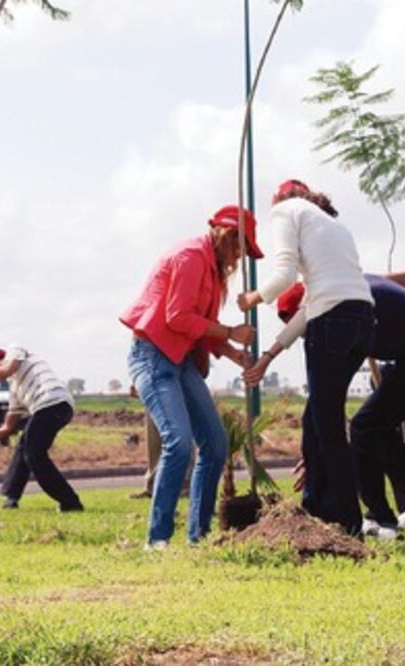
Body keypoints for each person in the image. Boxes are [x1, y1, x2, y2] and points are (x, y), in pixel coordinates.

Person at [246, 272, 405, 537]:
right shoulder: (354, 284)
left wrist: (322, 443)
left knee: (366, 425)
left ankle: (380, 519)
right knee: (376, 426)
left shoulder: (344, 311)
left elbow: (330, 394)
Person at [238, 179, 374, 537]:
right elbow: (311, 305)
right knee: (315, 418)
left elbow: (283, 276)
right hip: (361, 321)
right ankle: (316, 506)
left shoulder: (285, 211)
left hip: (332, 323)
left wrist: (253, 298)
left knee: (326, 425)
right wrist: (269, 355)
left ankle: (347, 521)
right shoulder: (333, 225)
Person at [121, 204, 257, 549]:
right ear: (227, 235)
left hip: (182, 361)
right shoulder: (191, 256)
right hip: (153, 357)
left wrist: (229, 350)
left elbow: (197, 329)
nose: (240, 255)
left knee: (215, 444)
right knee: (178, 442)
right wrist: (230, 331)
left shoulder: (211, 268)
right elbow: (178, 317)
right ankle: (158, 539)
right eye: (241, 246)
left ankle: (200, 536)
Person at [0, 346, 83, 512]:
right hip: (47, 409)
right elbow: (7, 428)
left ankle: (70, 502)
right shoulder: (15, 390)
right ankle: (11, 497)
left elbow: (6, 370)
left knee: (34, 454)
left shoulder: (16, 352)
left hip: (53, 402)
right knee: (24, 446)